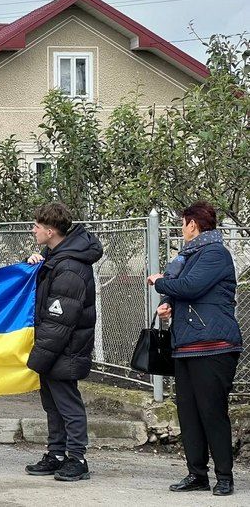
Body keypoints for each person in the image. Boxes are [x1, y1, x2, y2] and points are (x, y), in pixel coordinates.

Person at [150, 202, 242, 497]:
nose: (181, 229)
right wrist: (169, 308)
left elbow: (190, 286)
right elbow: (186, 295)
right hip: (186, 344)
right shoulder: (189, 256)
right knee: (188, 413)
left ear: (193, 225)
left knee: (212, 412)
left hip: (214, 346)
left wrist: (160, 282)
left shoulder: (215, 253)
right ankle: (197, 474)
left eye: (183, 223)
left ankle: (224, 477)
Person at [24, 202, 102, 483]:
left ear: (50, 230)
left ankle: (77, 458)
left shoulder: (70, 268)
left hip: (65, 348)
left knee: (68, 404)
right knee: (53, 404)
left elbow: (60, 319)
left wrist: (39, 356)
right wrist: (36, 264)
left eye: (36, 226)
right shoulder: (54, 258)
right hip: (55, 347)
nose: (33, 230)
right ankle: (56, 453)